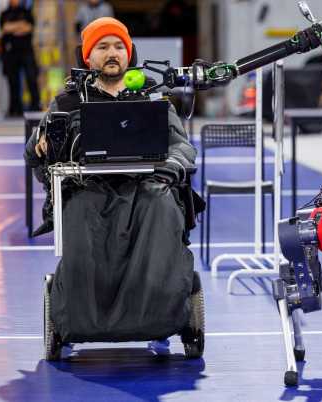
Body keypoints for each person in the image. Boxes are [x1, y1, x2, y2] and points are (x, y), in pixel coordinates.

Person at [24, 17, 199, 351]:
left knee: (161, 205)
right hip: (89, 191)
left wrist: (170, 168)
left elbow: (181, 146)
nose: (112, 53)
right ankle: (76, 318)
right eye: (102, 47)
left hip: (147, 188)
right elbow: (35, 152)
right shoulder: (68, 102)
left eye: (118, 46)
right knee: (82, 214)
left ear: (128, 53)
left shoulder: (152, 95)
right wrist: (40, 143)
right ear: (88, 57)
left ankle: (159, 314)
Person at [0, 0, 41, 116]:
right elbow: (5, 28)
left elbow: (28, 27)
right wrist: (20, 26)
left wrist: (13, 28)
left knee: (31, 78)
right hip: (11, 51)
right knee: (13, 81)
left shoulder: (26, 12)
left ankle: (35, 105)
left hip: (26, 50)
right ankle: (15, 108)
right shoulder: (4, 13)